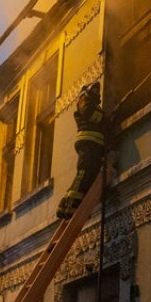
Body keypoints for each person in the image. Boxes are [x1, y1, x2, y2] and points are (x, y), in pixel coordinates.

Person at [57, 82, 106, 220]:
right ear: (88, 91)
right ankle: (71, 204)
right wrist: (105, 119)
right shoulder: (84, 100)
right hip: (88, 142)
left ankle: (66, 204)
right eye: (95, 90)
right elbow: (89, 113)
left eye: (98, 90)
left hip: (93, 143)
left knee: (87, 175)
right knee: (84, 173)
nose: (98, 92)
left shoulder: (93, 103)